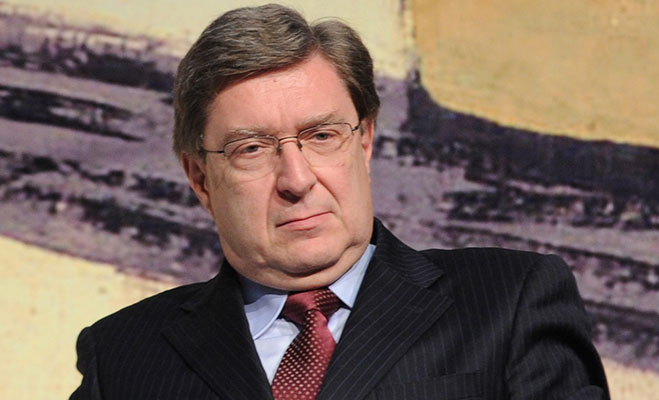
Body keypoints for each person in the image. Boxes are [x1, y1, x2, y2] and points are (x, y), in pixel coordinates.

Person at [71, 4, 609, 399]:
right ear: (201, 178)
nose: (297, 179)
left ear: (365, 141)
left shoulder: (509, 302)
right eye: (252, 148)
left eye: (322, 136)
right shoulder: (122, 356)